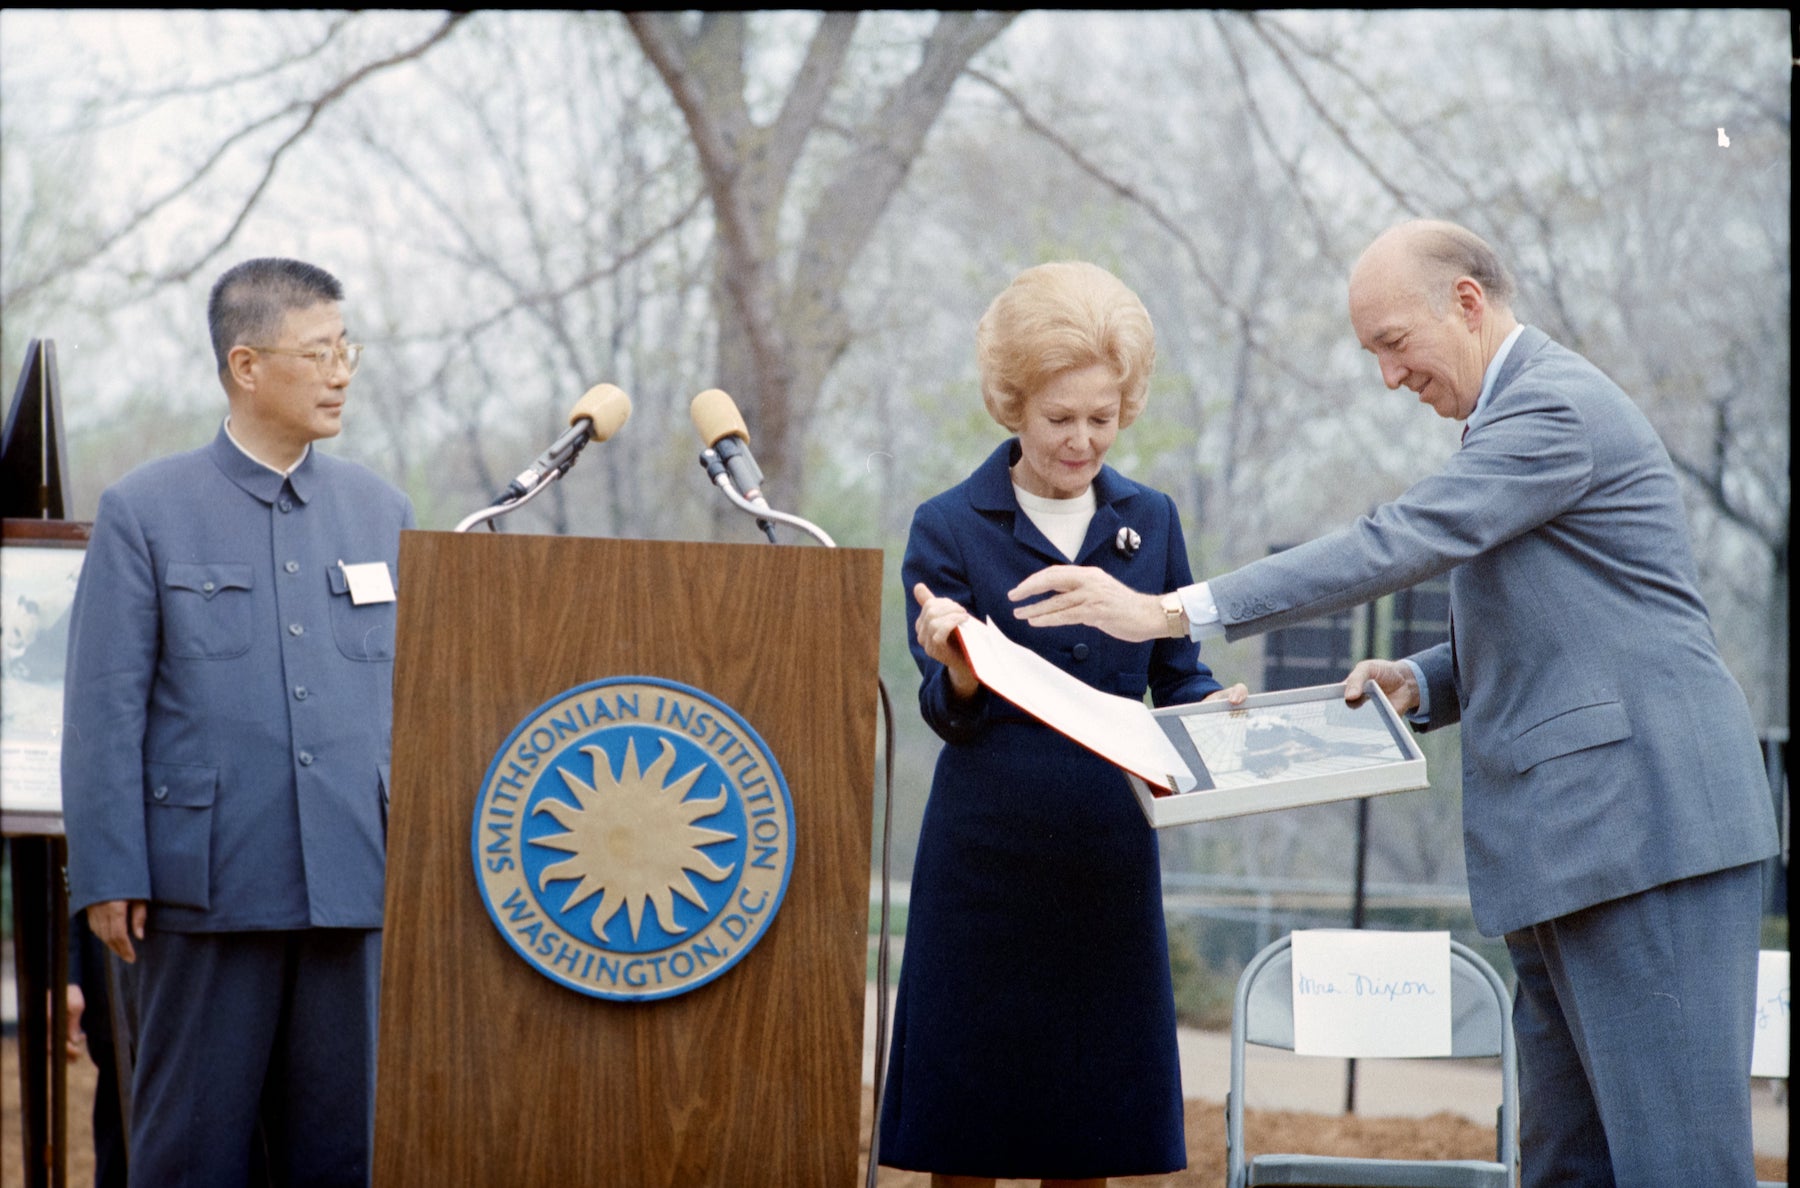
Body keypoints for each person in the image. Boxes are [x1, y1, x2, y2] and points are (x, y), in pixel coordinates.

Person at [1009, 220, 1779, 1187]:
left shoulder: (1554, 409)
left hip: (1644, 836)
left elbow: (1398, 539)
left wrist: (1171, 612)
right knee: (1563, 1170)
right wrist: (1426, 678)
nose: (1387, 375)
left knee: (1678, 1170)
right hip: (1571, 852)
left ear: (1465, 301)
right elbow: (1574, 630)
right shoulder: (1510, 422)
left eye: (1391, 343)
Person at [877, 261, 1245, 1188]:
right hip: (985, 861)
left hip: (1107, 855)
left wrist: (1217, 715)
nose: (1083, 440)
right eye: (1060, 419)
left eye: (1103, 416)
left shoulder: (1151, 519)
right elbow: (941, 706)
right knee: (969, 1128)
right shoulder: (949, 525)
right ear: (1012, 405)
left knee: (1087, 1133)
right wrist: (958, 673)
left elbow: (1178, 671)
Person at [61, 257, 416, 1186]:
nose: (342, 371)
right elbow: (102, 708)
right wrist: (109, 871)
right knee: (191, 1153)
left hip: (353, 881)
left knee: (344, 1153)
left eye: (348, 349)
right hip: (203, 889)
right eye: (319, 352)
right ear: (247, 365)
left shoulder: (382, 512)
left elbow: (413, 706)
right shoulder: (146, 510)